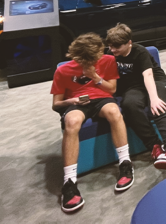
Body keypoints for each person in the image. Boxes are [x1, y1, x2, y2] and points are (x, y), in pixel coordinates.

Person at [51, 33, 133, 213]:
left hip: (102, 98)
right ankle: (69, 182)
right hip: (76, 103)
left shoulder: (108, 60)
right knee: (71, 121)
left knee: (114, 112)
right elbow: (56, 105)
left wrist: (95, 76)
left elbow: (112, 89)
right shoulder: (62, 71)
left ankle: (125, 163)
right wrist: (71, 102)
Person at [106, 24, 166, 169]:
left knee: (158, 106)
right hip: (133, 87)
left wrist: (153, 98)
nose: (112, 50)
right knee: (129, 105)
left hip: (156, 81)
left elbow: (148, 74)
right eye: (110, 46)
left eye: (117, 47)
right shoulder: (111, 55)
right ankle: (155, 146)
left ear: (129, 43)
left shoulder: (140, 51)